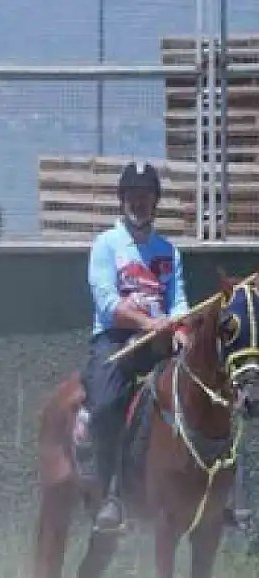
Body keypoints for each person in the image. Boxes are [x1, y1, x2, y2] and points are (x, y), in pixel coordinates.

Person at [80, 160, 190, 533]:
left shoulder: (169, 252)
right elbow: (110, 305)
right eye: (132, 196)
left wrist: (181, 330)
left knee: (210, 386)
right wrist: (150, 324)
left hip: (161, 341)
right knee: (109, 403)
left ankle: (214, 493)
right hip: (116, 342)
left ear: (155, 201)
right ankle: (110, 495)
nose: (139, 203)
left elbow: (179, 303)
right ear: (121, 200)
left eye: (146, 196)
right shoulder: (106, 245)